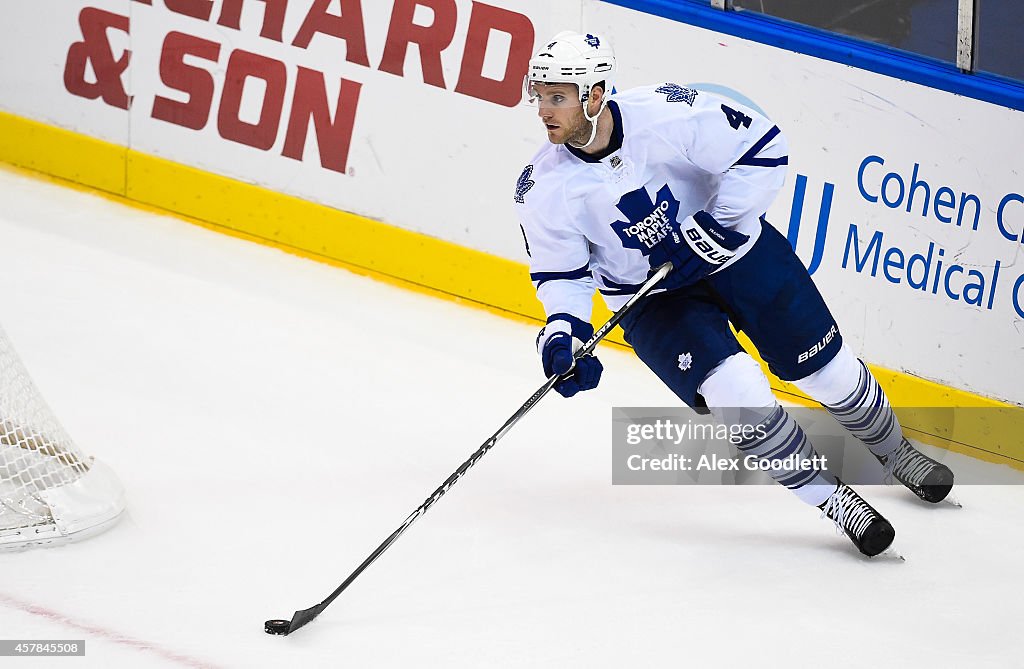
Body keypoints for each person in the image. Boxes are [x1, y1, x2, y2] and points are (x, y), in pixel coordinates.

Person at [513, 31, 954, 557]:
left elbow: (764, 147)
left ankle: (896, 452)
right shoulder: (541, 187)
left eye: (556, 96)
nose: (543, 109)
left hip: (737, 252)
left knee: (827, 372)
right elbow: (562, 276)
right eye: (538, 94)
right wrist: (563, 334)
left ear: (595, 93)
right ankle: (836, 502)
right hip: (653, 298)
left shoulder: (669, 114)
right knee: (737, 392)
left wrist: (721, 226)